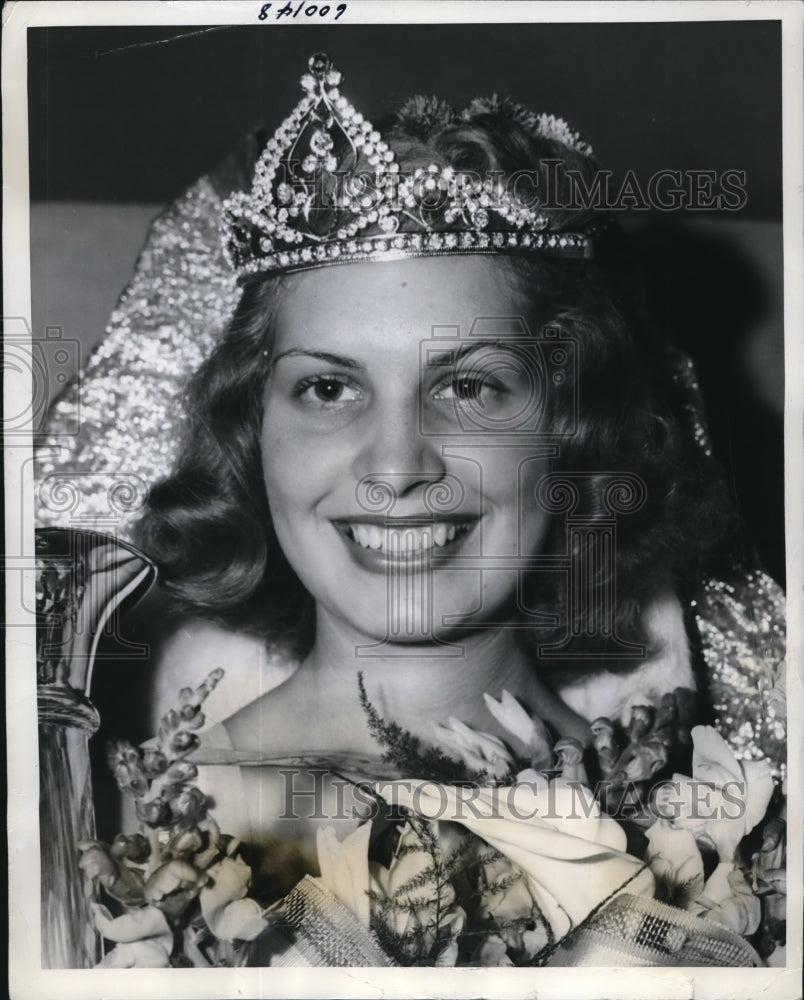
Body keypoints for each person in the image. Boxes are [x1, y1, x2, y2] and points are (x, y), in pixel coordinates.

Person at [37, 53, 786, 968]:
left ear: (571, 428)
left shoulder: (717, 840)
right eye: (326, 388)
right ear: (253, 434)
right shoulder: (104, 847)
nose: (396, 465)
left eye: (467, 385)